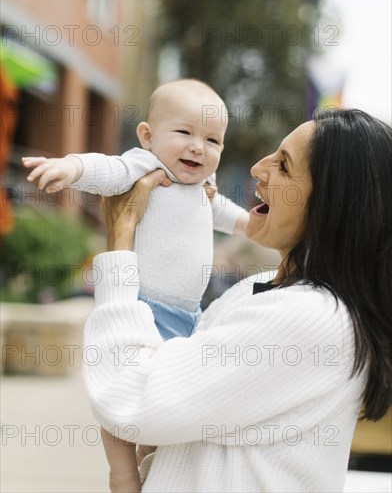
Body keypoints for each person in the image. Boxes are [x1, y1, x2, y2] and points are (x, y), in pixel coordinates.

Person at [82, 108, 391, 492]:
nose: (259, 169)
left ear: (330, 205)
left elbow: (130, 398)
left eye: (283, 166)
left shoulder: (311, 317)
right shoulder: (260, 287)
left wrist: (121, 240)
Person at [22, 79, 248, 491]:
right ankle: (121, 469)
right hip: (141, 306)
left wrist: (255, 225)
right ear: (147, 136)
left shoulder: (203, 190)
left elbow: (231, 216)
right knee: (121, 394)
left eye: (212, 140)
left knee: (162, 400)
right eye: (184, 133)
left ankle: (148, 456)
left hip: (188, 318)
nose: (198, 146)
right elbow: (106, 169)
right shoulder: (146, 167)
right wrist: (69, 167)